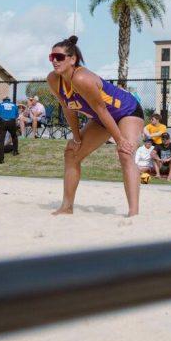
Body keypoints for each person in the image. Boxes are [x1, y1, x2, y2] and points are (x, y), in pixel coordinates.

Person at [47, 35, 145, 216]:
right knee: (71, 152)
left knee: (125, 153)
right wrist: (76, 138)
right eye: (52, 57)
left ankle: (133, 212)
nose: (54, 61)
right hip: (103, 118)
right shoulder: (54, 80)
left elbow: (102, 110)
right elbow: (68, 108)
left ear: (72, 59)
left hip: (127, 111)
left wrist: (120, 140)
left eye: (59, 57)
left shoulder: (82, 78)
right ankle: (67, 208)